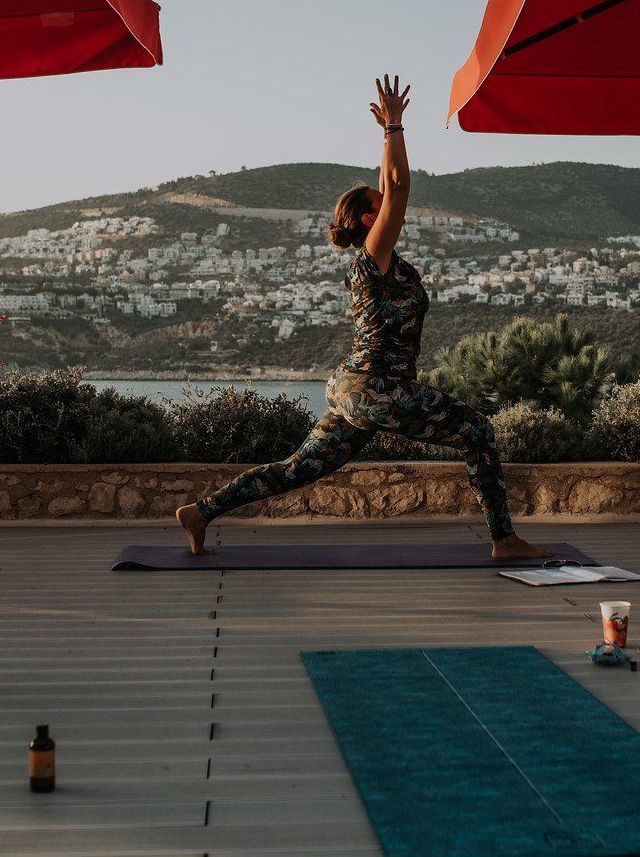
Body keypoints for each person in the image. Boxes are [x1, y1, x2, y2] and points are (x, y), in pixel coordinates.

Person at [176, 76, 552, 560]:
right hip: (380, 388)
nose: (389, 204)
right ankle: (504, 539)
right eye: (380, 207)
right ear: (370, 221)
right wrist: (394, 127)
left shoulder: (380, 258)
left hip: (355, 387)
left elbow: (386, 186)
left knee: (298, 468)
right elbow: (397, 186)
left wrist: (386, 141)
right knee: (477, 431)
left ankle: (201, 511)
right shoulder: (373, 256)